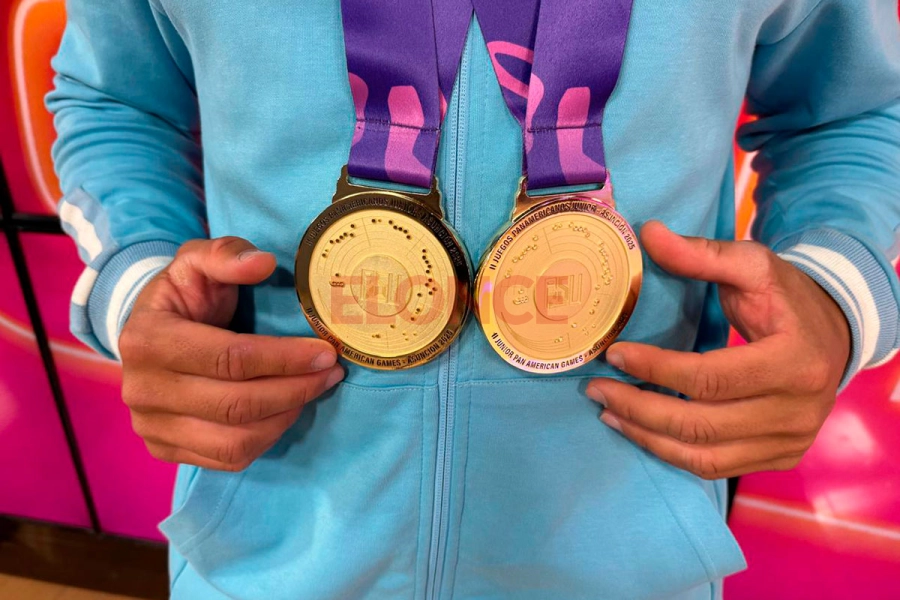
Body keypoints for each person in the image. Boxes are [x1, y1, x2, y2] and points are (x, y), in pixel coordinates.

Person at [48, 1, 900, 598]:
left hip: (633, 558)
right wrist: (137, 285)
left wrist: (833, 295)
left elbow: (854, 114)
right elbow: (115, 100)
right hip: (265, 548)